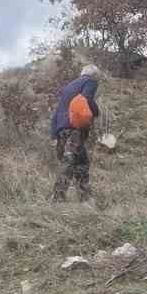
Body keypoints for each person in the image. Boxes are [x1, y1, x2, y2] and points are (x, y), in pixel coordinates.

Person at [50, 64, 102, 202]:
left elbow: (57, 111)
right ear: (94, 76)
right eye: (98, 78)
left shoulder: (68, 87)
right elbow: (85, 100)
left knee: (82, 162)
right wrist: (96, 112)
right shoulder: (90, 82)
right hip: (74, 129)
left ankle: (85, 197)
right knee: (69, 162)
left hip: (61, 128)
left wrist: (54, 134)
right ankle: (57, 197)